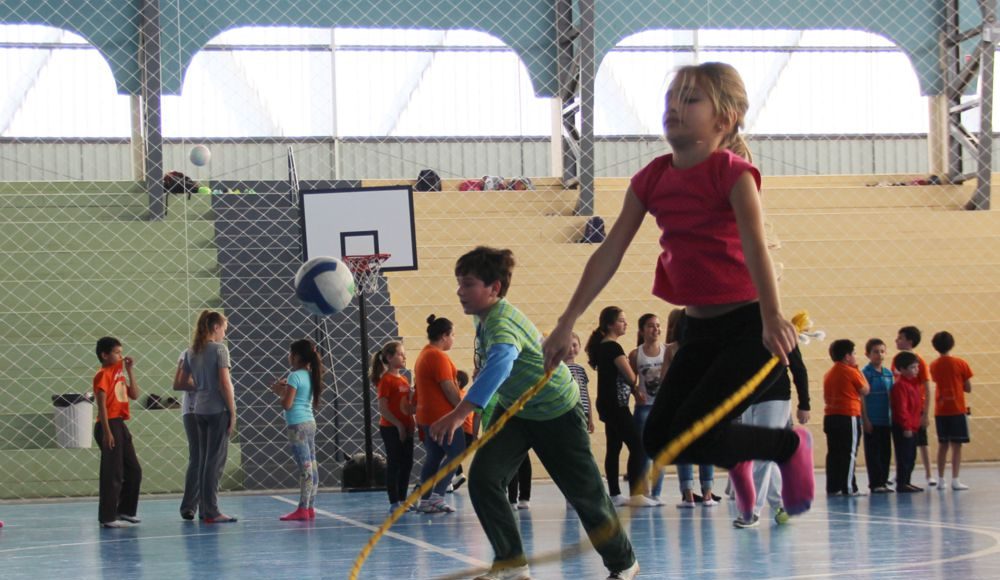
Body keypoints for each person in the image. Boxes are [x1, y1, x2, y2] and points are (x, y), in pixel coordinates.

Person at [542, 62, 812, 526]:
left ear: (723, 119)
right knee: (660, 438)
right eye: (671, 98)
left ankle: (788, 446)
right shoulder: (652, 178)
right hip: (697, 331)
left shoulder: (733, 174)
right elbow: (609, 252)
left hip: (746, 328)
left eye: (690, 100)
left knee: (694, 430)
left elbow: (755, 248)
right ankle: (768, 450)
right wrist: (567, 321)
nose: (674, 107)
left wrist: (772, 315)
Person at [430, 246, 639, 580]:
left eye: (467, 284)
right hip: (516, 411)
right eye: (459, 283)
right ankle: (511, 564)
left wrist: (460, 413)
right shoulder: (484, 317)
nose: (459, 291)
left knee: (584, 494)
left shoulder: (501, 322)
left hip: (557, 412)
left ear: (494, 288)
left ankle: (624, 564)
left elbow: (501, 362)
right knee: (484, 479)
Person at [585, 306, 657, 507]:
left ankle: (615, 494)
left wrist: (633, 391)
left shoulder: (603, 346)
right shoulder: (613, 348)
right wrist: (635, 380)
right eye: (621, 321)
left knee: (614, 446)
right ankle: (636, 494)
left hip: (608, 404)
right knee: (638, 445)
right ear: (610, 325)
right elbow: (631, 376)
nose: (626, 324)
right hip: (615, 405)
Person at [732, 343, 810, 527]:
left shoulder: (782, 333)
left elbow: (798, 368)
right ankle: (781, 504)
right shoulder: (740, 335)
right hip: (749, 399)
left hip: (775, 398)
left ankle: (751, 511)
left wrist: (804, 403)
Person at [183, 310, 238, 523]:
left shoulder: (191, 351)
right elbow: (225, 383)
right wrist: (232, 411)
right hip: (217, 409)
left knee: (205, 461)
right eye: (224, 329)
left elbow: (185, 381)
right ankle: (211, 510)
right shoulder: (219, 349)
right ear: (215, 327)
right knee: (215, 463)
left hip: (199, 409)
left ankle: (205, 508)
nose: (225, 333)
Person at [412, 314, 464, 513]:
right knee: (457, 453)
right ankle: (437, 495)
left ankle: (425, 500)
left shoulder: (424, 354)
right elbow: (448, 387)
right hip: (442, 416)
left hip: (427, 416)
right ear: (444, 336)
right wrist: (461, 410)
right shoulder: (437, 356)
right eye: (452, 335)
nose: (453, 339)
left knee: (434, 457)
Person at [270, 338, 324, 520]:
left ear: (296, 356)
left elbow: (287, 404)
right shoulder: (310, 375)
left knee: (305, 468)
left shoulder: (294, 376)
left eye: (290, 353)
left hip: (297, 425)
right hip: (309, 423)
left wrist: (279, 392)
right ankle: (310, 507)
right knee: (312, 465)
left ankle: (302, 509)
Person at [93, 336, 142, 528]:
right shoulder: (102, 375)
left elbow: (135, 395)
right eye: (116, 353)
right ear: (105, 355)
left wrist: (130, 370)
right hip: (108, 424)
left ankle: (126, 510)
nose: (121, 356)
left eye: (121, 352)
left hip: (120, 424)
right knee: (113, 472)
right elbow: (102, 406)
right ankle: (107, 516)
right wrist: (107, 432)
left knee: (134, 470)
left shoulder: (119, 373)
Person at [629, 312, 668, 503]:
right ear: (642, 330)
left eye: (658, 325)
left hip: (662, 407)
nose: (656, 329)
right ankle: (644, 492)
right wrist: (636, 392)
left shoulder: (666, 351)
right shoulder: (636, 354)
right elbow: (630, 380)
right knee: (643, 452)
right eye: (651, 326)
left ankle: (657, 493)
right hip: (644, 408)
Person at [823, 339, 869, 496]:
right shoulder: (850, 371)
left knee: (834, 453)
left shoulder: (829, 373)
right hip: (848, 416)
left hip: (831, 416)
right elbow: (865, 390)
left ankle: (833, 486)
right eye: (854, 353)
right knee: (849, 452)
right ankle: (849, 487)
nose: (856, 356)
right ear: (847, 356)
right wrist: (857, 369)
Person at [372, 341, 415, 511]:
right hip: (391, 428)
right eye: (400, 354)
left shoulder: (404, 379)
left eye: (404, 354)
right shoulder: (386, 380)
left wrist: (411, 421)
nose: (404, 357)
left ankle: (403, 499)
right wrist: (398, 425)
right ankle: (394, 501)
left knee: (407, 464)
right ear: (389, 358)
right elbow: (383, 408)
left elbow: (407, 406)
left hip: (406, 427)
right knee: (395, 463)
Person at [929, 331, 974, 490]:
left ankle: (941, 480)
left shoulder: (933, 365)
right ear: (952, 344)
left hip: (941, 410)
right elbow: (968, 388)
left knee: (943, 445)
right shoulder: (961, 363)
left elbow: (936, 380)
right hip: (957, 409)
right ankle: (955, 479)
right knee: (957, 445)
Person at [894, 326, 934, 486]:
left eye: (900, 338)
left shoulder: (919, 361)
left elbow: (927, 387)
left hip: (917, 408)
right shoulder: (897, 360)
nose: (897, 340)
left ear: (909, 341)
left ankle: (929, 473)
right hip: (904, 408)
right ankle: (901, 473)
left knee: (922, 441)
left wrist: (925, 414)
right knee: (903, 444)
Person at [861, 338, 894, 493]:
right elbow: (862, 398)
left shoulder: (888, 374)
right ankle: (875, 483)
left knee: (886, 452)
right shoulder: (865, 374)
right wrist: (865, 419)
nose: (879, 355)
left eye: (882, 351)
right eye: (875, 352)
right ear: (868, 354)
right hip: (872, 420)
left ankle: (883, 480)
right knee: (873, 452)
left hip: (886, 419)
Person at [891, 351, 924, 493]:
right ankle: (902, 482)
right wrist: (906, 426)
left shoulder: (913, 384)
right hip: (904, 427)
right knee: (904, 456)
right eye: (912, 367)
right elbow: (901, 408)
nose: (916, 370)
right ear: (902, 369)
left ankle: (907, 481)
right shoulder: (900, 385)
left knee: (911, 456)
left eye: (917, 367)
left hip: (913, 426)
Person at [172, 349, 200, 520]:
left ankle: (208, 505)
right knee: (197, 458)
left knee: (212, 459)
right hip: (194, 410)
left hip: (213, 409)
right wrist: (207, 383)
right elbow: (179, 383)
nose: (223, 336)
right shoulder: (189, 353)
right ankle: (189, 506)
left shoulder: (219, 351)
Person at [564, 332, 596, 434]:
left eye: (574, 345)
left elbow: (586, 394)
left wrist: (590, 418)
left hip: (583, 411)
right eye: (567, 346)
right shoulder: (560, 369)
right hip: (569, 411)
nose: (571, 349)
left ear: (580, 346)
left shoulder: (581, 369)